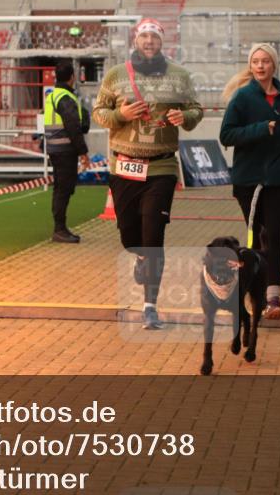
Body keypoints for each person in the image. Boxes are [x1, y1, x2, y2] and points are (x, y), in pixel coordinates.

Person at [93, 18, 203, 329]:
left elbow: (196, 110)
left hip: (162, 167)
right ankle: (139, 257)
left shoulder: (179, 75)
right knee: (131, 237)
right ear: (136, 40)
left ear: (161, 42)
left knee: (154, 235)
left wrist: (184, 116)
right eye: (144, 37)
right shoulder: (116, 75)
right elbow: (99, 113)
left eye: (154, 37)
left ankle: (149, 305)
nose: (149, 42)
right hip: (125, 166)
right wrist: (121, 114)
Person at [219, 43, 280, 320]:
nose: (260, 66)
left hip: (279, 177)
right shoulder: (242, 98)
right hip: (248, 180)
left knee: (275, 235)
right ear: (250, 65)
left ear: (273, 65)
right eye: (255, 61)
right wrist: (260, 129)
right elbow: (227, 135)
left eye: (265, 61)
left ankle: (273, 299)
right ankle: (253, 294)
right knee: (256, 237)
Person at [43, 61, 90, 243]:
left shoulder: (52, 95)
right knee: (64, 189)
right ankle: (60, 229)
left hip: (55, 149)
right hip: (65, 150)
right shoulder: (65, 98)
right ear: (72, 77)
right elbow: (73, 127)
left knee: (60, 189)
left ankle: (60, 228)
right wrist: (83, 152)